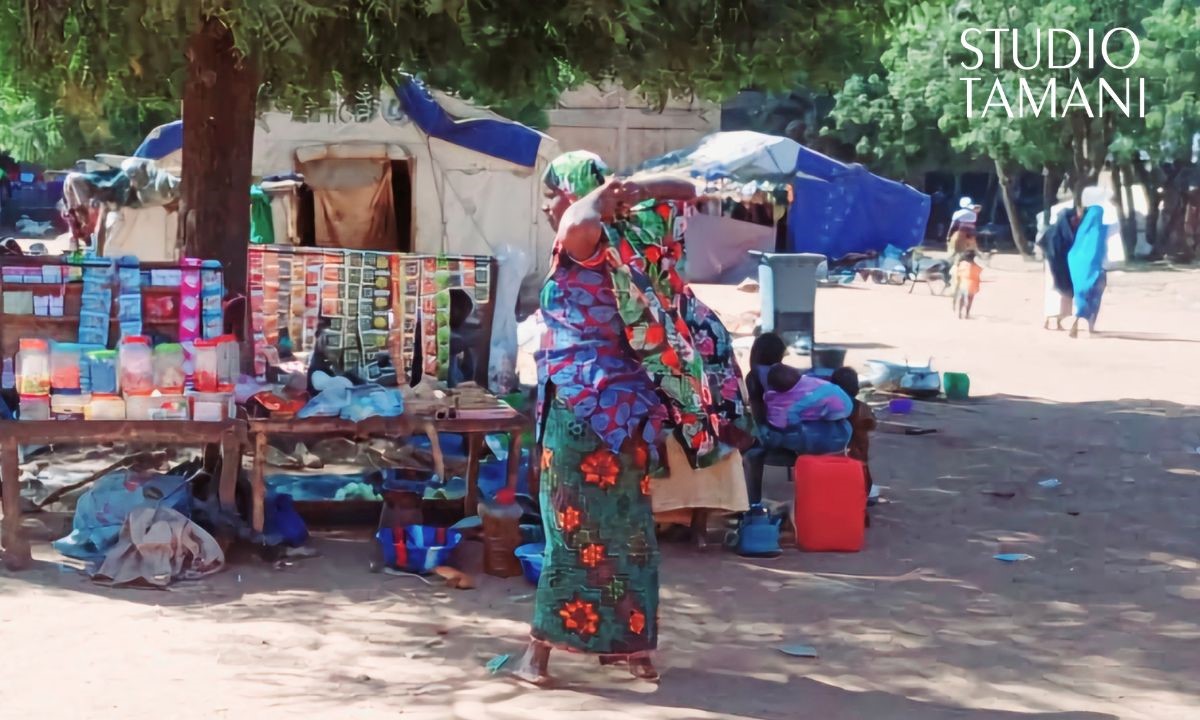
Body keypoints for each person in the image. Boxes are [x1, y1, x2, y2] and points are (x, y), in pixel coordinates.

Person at [518, 150, 749, 686]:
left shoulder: (584, 242)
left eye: (553, 193)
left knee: (569, 532)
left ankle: (538, 657)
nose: (549, 206)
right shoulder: (638, 243)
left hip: (581, 412)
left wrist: (599, 195)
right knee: (627, 532)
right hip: (629, 415)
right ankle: (634, 653)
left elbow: (579, 219)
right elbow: (686, 189)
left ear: (577, 194)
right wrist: (627, 190)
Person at [1066, 188, 1111, 338]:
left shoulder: (1083, 229)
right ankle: (1090, 326)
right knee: (1095, 296)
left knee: (1081, 296)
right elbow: (1102, 250)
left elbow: (1075, 250)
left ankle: (1077, 321)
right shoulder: (1101, 230)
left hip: (1079, 268)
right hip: (1097, 268)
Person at [831, 367, 876, 496]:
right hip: (857, 462)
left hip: (832, 460)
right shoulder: (863, 408)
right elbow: (871, 425)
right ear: (856, 388)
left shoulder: (827, 407)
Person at [1037, 207, 1076, 330]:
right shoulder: (1062, 233)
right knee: (1058, 293)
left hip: (1051, 265)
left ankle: (1052, 321)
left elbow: (1041, 244)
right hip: (1057, 266)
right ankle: (1053, 320)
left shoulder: (1052, 231)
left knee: (1053, 293)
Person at [954, 250, 982, 319]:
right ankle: (967, 313)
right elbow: (978, 277)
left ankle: (960, 313)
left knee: (962, 298)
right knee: (970, 299)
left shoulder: (962, 264)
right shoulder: (977, 267)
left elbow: (958, 274)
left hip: (963, 284)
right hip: (972, 285)